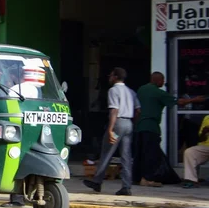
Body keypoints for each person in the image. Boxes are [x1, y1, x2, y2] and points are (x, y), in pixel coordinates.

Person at [134, 72, 206, 187]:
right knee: (150, 154)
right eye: (163, 81)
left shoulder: (142, 89)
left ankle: (137, 177)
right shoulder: (158, 93)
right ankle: (147, 179)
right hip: (151, 127)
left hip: (140, 126)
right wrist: (195, 100)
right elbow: (180, 102)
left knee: (141, 152)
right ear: (157, 80)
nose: (163, 83)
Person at [83, 68, 140, 196]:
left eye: (111, 75)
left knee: (107, 153)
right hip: (128, 124)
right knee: (126, 156)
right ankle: (126, 186)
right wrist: (132, 123)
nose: (109, 77)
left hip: (118, 123)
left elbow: (114, 110)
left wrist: (110, 129)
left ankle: (97, 182)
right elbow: (138, 110)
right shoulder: (130, 91)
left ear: (115, 77)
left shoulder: (113, 90)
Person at [182, 117, 209, 188]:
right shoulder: (207, 118)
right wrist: (204, 132)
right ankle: (191, 180)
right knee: (190, 152)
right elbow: (200, 139)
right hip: (206, 146)